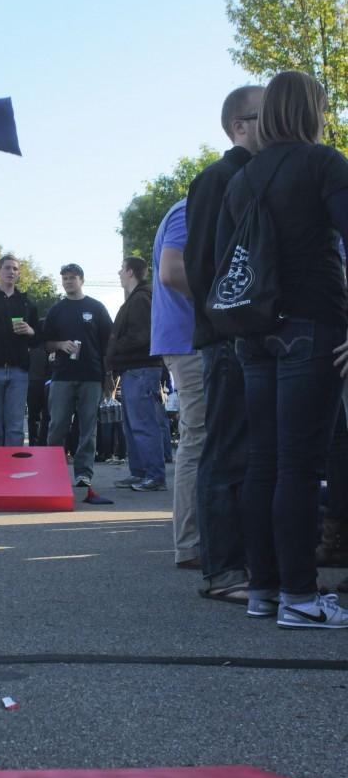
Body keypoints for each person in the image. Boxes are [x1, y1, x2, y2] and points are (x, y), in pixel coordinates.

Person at [219, 70, 348, 628]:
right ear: (312, 111)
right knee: (301, 466)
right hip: (313, 323)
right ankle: (301, 595)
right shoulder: (326, 164)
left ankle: (264, 590)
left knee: (265, 465)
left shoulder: (243, 179)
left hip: (254, 331)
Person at [184, 84, 264, 603]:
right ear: (239, 125)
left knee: (249, 452)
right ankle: (225, 571)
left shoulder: (258, 173)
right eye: (266, 116)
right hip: (228, 339)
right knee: (226, 451)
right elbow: (203, 267)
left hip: (249, 338)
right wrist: (230, 326)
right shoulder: (219, 178)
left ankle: (248, 564)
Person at [151, 199, 205, 567]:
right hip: (190, 340)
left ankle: (194, 541)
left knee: (200, 437)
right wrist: (223, 301)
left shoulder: (188, 207)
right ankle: (191, 544)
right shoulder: (191, 208)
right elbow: (172, 272)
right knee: (199, 437)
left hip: (186, 339)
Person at [44, 263, 113, 487]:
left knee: (88, 427)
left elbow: (108, 344)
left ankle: (84, 473)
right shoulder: (56, 310)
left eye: (72, 278)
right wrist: (60, 344)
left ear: (82, 280)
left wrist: (108, 375)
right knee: (57, 426)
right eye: (64, 279)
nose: (68, 282)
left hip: (92, 375)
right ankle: (53, 469)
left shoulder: (97, 308)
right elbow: (45, 344)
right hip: (62, 376)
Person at [107, 256, 166, 492]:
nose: (119, 273)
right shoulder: (139, 298)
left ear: (130, 272)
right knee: (133, 426)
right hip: (134, 369)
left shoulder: (141, 299)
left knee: (143, 424)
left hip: (141, 368)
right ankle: (141, 472)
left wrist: (114, 344)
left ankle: (154, 476)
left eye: (122, 269)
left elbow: (142, 335)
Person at [0, 255, 39, 445]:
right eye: (7, 268)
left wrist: (31, 330)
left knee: (16, 427)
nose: (11, 272)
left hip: (19, 371)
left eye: (15, 269)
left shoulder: (26, 302)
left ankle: (13, 472)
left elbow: (38, 339)